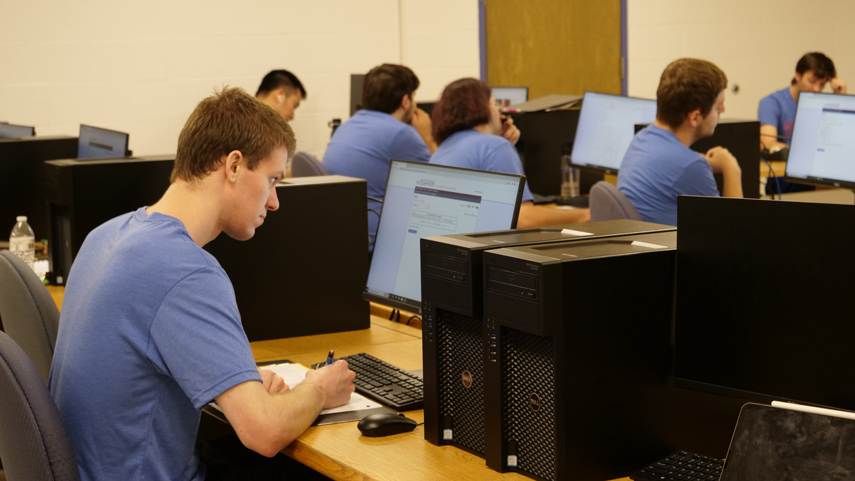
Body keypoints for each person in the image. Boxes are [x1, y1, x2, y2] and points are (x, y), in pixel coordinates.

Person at [49, 87, 356, 481]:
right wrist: (319, 389)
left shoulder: (106, 235)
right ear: (232, 165)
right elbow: (264, 432)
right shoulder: (187, 272)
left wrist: (235, 384)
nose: (275, 201)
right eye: (272, 180)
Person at [429, 78, 590, 227]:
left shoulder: (445, 148)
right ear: (482, 109)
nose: (500, 113)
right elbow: (523, 219)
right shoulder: (494, 147)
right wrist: (586, 215)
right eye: (494, 105)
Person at [323, 63, 436, 251]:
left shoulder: (347, 126)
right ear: (406, 101)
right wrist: (428, 136)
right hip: (376, 248)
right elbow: (443, 186)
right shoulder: (402, 134)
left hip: (345, 237)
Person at [617, 58, 742, 226]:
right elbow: (734, 234)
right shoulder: (691, 167)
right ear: (695, 117)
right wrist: (731, 168)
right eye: (718, 107)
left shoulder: (640, 140)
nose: (723, 110)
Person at [759, 52, 846, 152]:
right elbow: (768, 144)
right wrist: (805, 154)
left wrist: (841, 97)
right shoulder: (772, 103)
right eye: (811, 81)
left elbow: (840, 142)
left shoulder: (823, 105)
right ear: (798, 76)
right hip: (780, 165)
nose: (816, 89)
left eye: (822, 84)